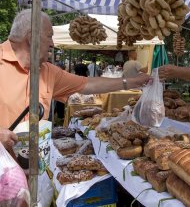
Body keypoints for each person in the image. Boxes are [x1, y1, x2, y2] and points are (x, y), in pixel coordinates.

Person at [0, 9, 150, 145]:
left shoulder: (48, 72)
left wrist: (133, 81)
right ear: (32, 38)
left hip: (35, 168)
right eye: (49, 36)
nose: (52, 44)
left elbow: (89, 84)